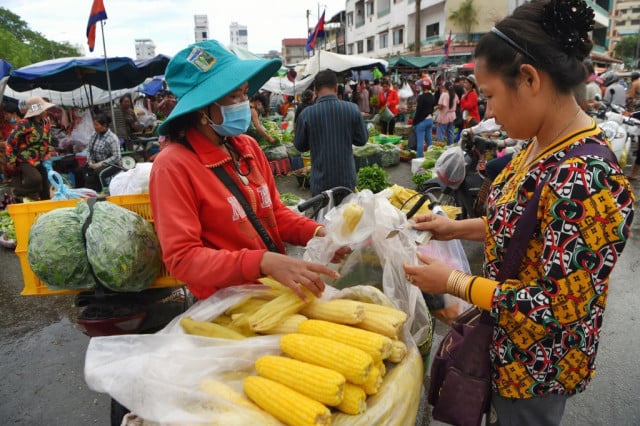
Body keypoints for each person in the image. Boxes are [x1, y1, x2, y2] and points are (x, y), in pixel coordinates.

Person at [403, 1, 635, 425]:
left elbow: (557, 305)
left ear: (529, 79)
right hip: (503, 344)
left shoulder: (588, 179)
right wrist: (451, 228)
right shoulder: (537, 145)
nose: (487, 111)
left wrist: (453, 281)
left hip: (536, 367)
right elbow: (516, 226)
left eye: (490, 96)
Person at [149, 39, 346, 301]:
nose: (246, 103)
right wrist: (261, 262)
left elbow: (274, 213)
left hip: (273, 291)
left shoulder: (247, 147)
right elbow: (183, 259)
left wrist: (317, 233)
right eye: (234, 96)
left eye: (245, 93)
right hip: (226, 306)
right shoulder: (172, 166)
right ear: (201, 111)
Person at [293, 70, 369, 196]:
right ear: (336, 87)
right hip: (346, 182)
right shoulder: (352, 109)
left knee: (322, 215)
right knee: (347, 215)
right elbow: (362, 140)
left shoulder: (306, 114)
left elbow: (300, 146)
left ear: (315, 91)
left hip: (320, 183)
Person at [5, 97, 57, 201]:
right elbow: (11, 141)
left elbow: (47, 139)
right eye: (44, 109)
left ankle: (45, 208)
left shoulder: (45, 122)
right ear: (37, 111)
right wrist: (11, 160)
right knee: (35, 179)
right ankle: (16, 192)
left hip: (40, 159)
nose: (46, 111)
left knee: (44, 188)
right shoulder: (25, 123)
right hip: (25, 159)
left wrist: (48, 152)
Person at [74, 113, 122, 191]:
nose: (94, 127)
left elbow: (116, 157)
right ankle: (80, 192)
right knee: (78, 171)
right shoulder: (94, 134)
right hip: (95, 163)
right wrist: (90, 162)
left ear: (104, 125)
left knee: (97, 174)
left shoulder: (112, 138)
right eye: (94, 125)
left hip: (112, 164)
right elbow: (89, 149)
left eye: (96, 125)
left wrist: (100, 164)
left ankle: (100, 194)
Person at [412, 79, 436, 157]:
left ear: (423, 87)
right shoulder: (432, 96)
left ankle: (419, 158)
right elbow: (432, 108)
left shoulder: (421, 97)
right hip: (430, 120)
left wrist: (414, 122)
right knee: (429, 140)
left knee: (420, 142)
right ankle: (431, 156)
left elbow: (418, 111)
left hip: (421, 121)